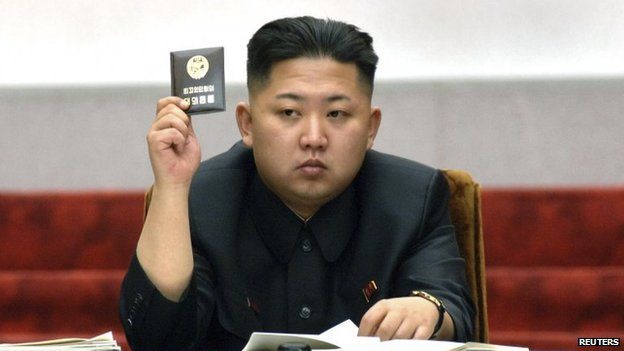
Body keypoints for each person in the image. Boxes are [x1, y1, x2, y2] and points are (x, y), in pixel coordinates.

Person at [119, 16, 474, 351]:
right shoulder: (201, 200)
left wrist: (428, 310)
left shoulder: (414, 197)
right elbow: (156, 339)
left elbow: (450, 303)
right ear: (247, 124)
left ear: (370, 128)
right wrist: (173, 188)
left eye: (336, 114)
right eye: (290, 113)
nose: (314, 138)